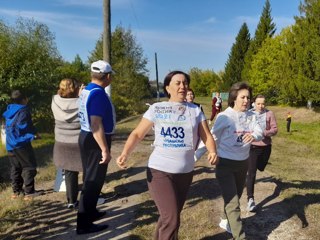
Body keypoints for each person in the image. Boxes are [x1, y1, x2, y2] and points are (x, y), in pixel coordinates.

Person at [116, 70, 218, 240]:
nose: (182, 86)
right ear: (167, 88)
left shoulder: (195, 110)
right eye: (177, 83)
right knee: (171, 218)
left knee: (169, 217)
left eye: (185, 83)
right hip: (159, 170)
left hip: (185, 172)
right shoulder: (157, 108)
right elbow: (137, 134)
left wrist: (213, 151)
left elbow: (206, 135)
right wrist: (125, 153)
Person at [213, 82, 263, 239]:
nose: (246, 100)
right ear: (234, 98)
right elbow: (212, 137)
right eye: (243, 97)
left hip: (243, 163)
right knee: (234, 203)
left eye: (248, 97)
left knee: (236, 194)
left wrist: (254, 136)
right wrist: (196, 155)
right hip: (225, 164)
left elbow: (260, 131)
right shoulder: (224, 116)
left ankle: (224, 218)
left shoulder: (252, 115)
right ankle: (240, 236)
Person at [76, 60, 116, 234]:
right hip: (95, 140)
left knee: (92, 178)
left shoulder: (87, 90)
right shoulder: (98, 94)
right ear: (107, 76)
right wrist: (105, 149)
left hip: (86, 137)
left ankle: (91, 212)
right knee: (92, 181)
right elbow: (96, 124)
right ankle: (84, 224)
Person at [2, 90, 40, 201]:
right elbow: (23, 127)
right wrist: (32, 136)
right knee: (29, 166)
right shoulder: (23, 110)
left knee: (16, 167)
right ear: (24, 99)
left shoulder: (9, 110)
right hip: (21, 143)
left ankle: (16, 191)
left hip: (10, 144)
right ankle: (29, 192)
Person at [51, 78, 83, 209]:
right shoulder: (81, 101)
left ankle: (71, 201)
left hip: (62, 141)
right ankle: (88, 198)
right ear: (75, 88)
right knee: (88, 169)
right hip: (79, 141)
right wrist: (82, 95)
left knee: (69, 170)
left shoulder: (54, 100)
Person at [246, 95, 278, 212]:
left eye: (263, 104)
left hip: (266, 147)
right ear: (254, 103)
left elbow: (275, 129)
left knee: (261, 167)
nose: (261, 106)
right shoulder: (249, 114)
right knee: (251, 173)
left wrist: (264, 133)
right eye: (258, 103)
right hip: (253, 147)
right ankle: (250, 199)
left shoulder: (270, 114)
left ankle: (258, 166)